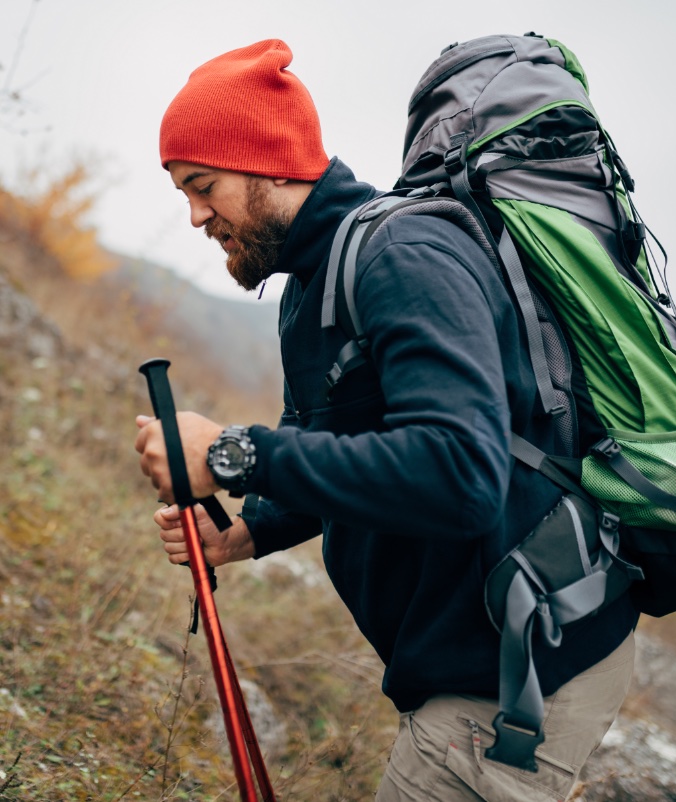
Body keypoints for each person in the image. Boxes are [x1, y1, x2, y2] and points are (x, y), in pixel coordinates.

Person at [135, 39, 638, 802]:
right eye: (184, 192)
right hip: (477, 649)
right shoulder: (314, 279)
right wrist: (251, 530)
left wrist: (237, 456)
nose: (196, 214)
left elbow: (459, 474)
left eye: (203, 185)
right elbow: (343, 446)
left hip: (517, 665)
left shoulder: (401, 254)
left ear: (270, 160)